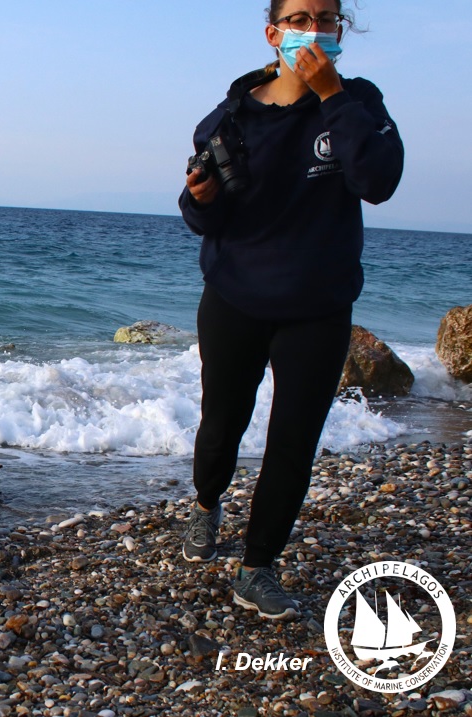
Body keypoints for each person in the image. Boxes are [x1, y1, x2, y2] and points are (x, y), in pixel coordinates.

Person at [178, 0, 403, 620]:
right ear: (273, 33)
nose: (315, 29)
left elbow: (377, 181)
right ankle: (205, 503)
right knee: (221, 423)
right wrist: (195, 200)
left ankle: (257, 568)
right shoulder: (228, 118)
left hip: (319, 304)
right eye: (301, 17)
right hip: (234, 296)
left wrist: (331, 93)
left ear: (339, 33)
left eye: (327, 18)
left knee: (293, 443)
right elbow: (208, 218)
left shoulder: (358, 105)